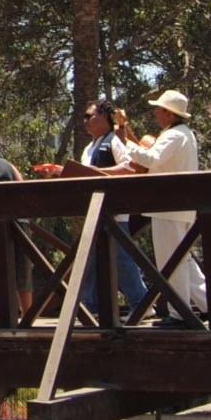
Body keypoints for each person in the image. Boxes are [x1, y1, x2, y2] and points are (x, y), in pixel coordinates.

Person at [98, 89, 208, 316]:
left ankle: (180, 314)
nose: (156, 113)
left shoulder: (172, 136)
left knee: (171, 262)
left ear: (169, 113)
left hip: (168, 207)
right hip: (181, 206)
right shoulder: (184, 134)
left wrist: (125, 142)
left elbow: (150, 158)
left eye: (159, 109)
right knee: (183, 259)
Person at [77, 100, 149, 322]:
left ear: (105, 117)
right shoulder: (89, 148)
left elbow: (130, 167)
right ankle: (91, 305)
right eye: (85, 117)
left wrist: (97, 172)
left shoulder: (115, 141)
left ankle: (142, 303)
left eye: (90, 116)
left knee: (122, 258)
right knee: (91, 258)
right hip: (94, 210)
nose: (86, 121)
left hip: (114, 210)